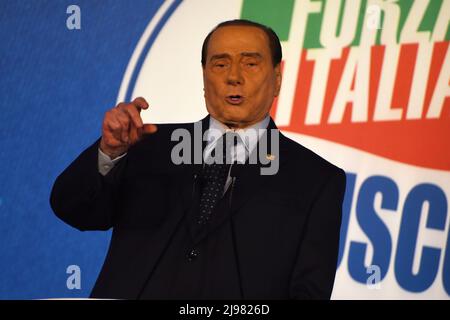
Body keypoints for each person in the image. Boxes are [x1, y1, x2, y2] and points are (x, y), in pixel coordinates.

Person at [50, 19, 346, 299]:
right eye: (220, 64)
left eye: (251, 63)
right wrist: (110, 151)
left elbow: (308, 291)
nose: (234, 77)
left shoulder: (315, 179)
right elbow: (74, 209)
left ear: (277, 79)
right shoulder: (145, 145)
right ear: (204, 76)